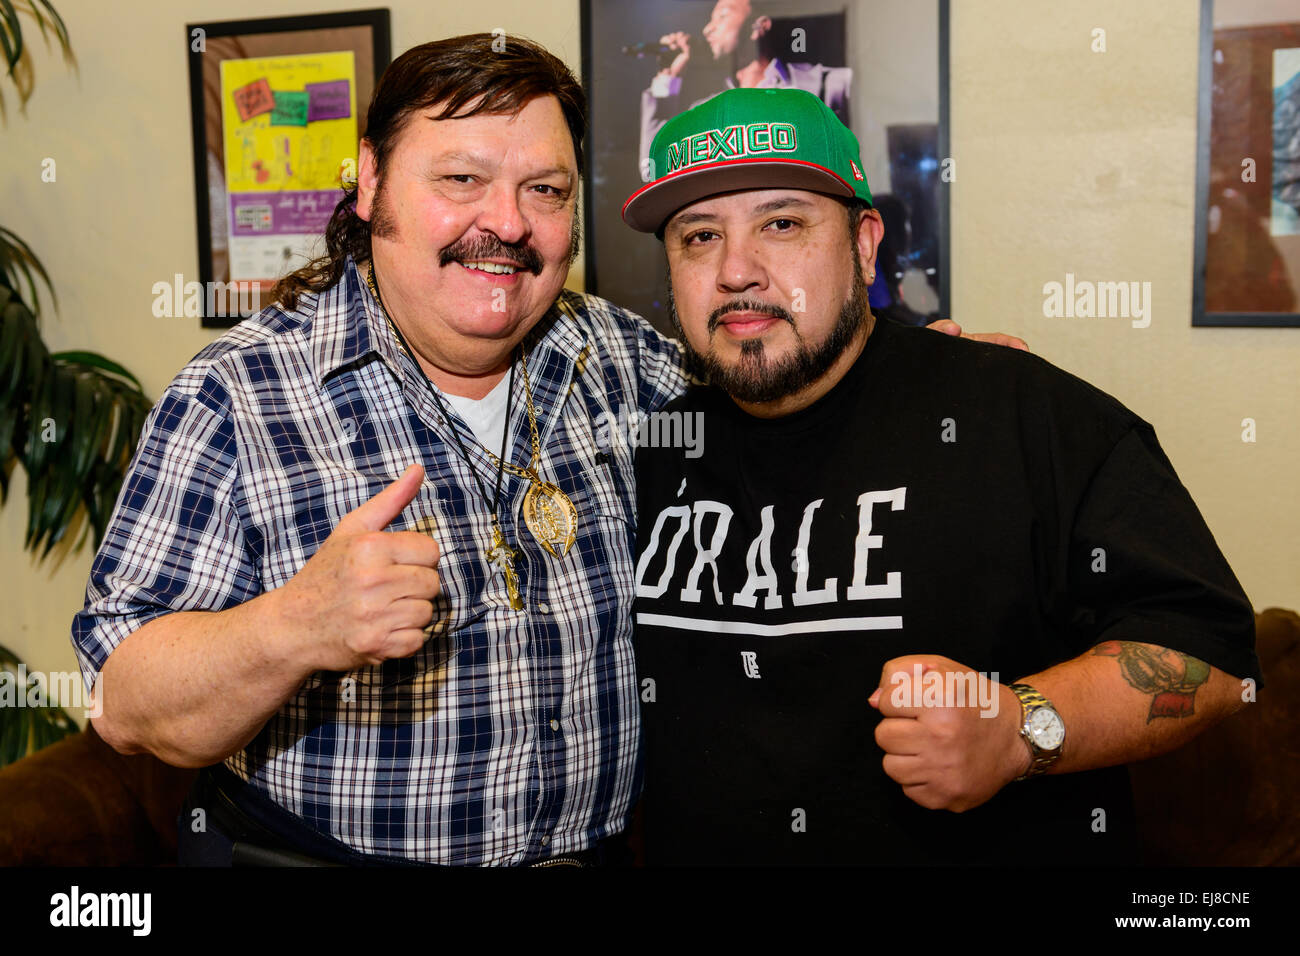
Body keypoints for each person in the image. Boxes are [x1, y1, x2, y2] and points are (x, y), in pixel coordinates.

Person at [71, 34, 1013, 868]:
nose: (509, 224)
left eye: (545, 191)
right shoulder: (237, 394)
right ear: (369, 183)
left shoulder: (617, 358)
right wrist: (296, 626)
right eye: (460, 179)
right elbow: (125, 700)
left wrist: (915, 375)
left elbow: (778, 379)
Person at [622, 86, 1262, 865]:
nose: (737, 271)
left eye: (781, 223)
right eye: (697, 237)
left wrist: (1021, 729)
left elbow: (1217, 662)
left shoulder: (1018, 412)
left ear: (864, 244)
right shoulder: (648, 449)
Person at [640, 0, 851, 178]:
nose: (707, 29)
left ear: (758, 25)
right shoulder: (705, 112)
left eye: (722, 16)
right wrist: (667, 78)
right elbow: (653, 171)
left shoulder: (827, 84)